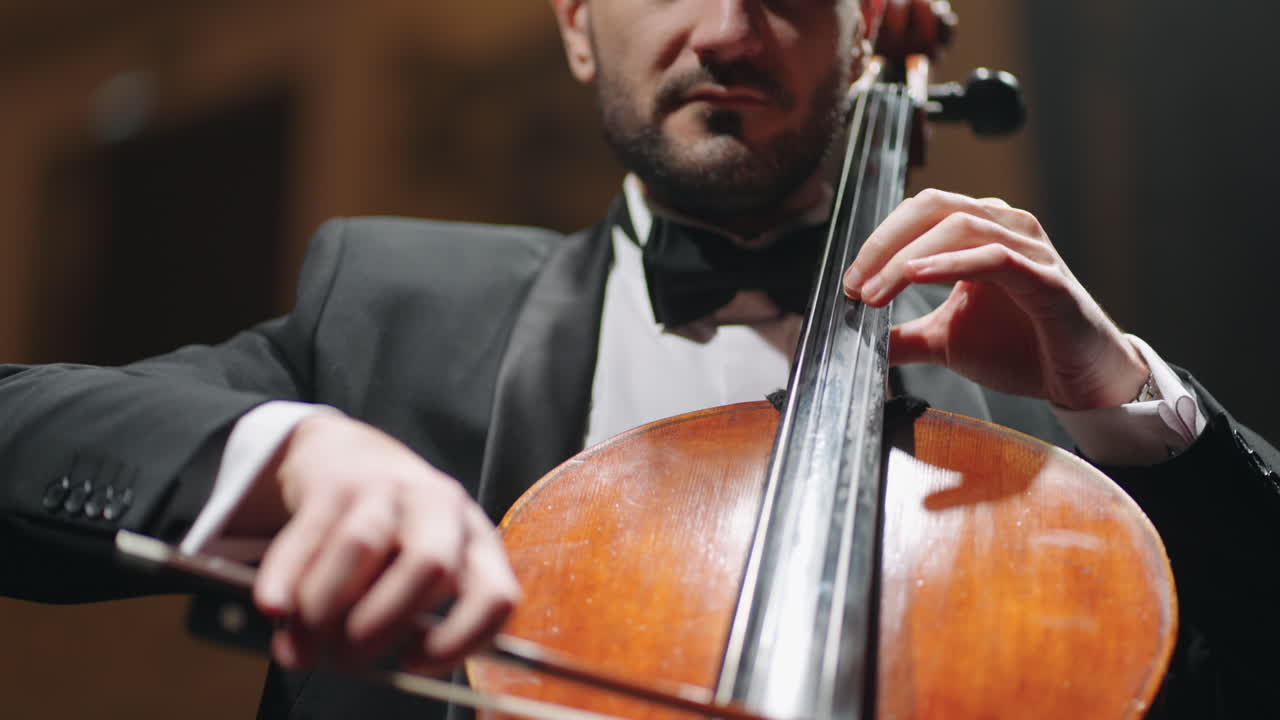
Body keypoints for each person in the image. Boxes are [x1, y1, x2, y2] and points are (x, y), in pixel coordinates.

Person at [0, 0, 1276, 718]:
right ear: (574, 24)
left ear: (862, 34)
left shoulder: (1046, 430)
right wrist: (292, 453)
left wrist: (1127, 405)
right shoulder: (390, 305)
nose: (726, 29)